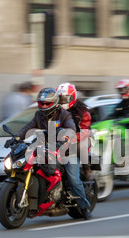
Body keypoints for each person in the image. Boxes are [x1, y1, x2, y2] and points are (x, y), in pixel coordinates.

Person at [18, 87, 92, 220]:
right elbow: (28, 127)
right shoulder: (39, 115)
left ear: (54, 103)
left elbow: (70, 128)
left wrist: (66, 138)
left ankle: (84, 206)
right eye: (42, 103)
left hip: (68, 151)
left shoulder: (64, 114)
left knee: (74, 179)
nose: (44, 106)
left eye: (47, 104)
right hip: (47, 148)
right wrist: (17, 137)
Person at [56, 82, 95, 181]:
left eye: (65, 98)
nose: (62, 101)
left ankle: (87, 169)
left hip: (83, 138)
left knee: (80, 146)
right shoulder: (56, 111)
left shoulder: (83, 112)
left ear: (73, 97)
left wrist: (69, 139)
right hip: (62, 139)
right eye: (60, 98)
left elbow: (84, 132)